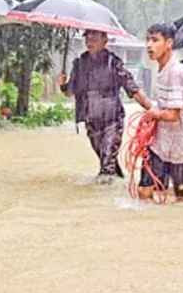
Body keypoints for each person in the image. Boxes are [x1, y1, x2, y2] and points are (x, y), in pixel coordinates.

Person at [58, 30, 152, 181]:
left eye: (94, 38)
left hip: (112, 121)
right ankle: (119, 184)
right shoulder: (79, 64)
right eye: (87, 38)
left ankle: (103, 198)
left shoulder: (113, 62)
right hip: (91, 120)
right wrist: (63, 85)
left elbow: (131, 87)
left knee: (107, 162)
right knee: (106, 160)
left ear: (105, 41)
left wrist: (152, 109)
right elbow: (70, 92)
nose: (90, 42)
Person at [138, 23, 183, 201]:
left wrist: (153, 114)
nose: (149, 45)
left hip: (180, 148)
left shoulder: (177, 71)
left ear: (169, 43)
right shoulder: (160, 68)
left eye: (155, 40)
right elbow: (161, 106)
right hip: (159, 144)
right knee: (144, 191)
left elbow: (173, 115)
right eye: (147, 40)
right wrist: (141, 99)